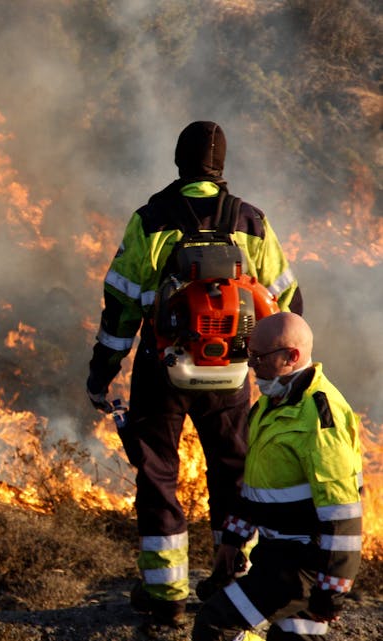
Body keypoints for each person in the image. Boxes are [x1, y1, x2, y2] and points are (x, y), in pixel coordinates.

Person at [86, 121, 303, 626]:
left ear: (179, 161)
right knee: (233, 473)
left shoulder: (150, 220)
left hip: (161, 370)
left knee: (159, 474)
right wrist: (280, 374)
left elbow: (120, 305)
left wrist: (102, 371)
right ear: (221, 166)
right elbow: (288, 304)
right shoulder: (252, 222)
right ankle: (231, 579)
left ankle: (166, 596)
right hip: (231, 374)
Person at [192, 312, 363, 641]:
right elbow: (256, 487)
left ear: (291, 356)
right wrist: (232, 540)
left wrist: (332, 591)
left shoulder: (319, 418)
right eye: (249, 354)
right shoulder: (269, 406)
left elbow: (341, 514)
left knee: (214, 625)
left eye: (260, 357)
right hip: (275, 554)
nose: (251, 365)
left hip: (303, 565)